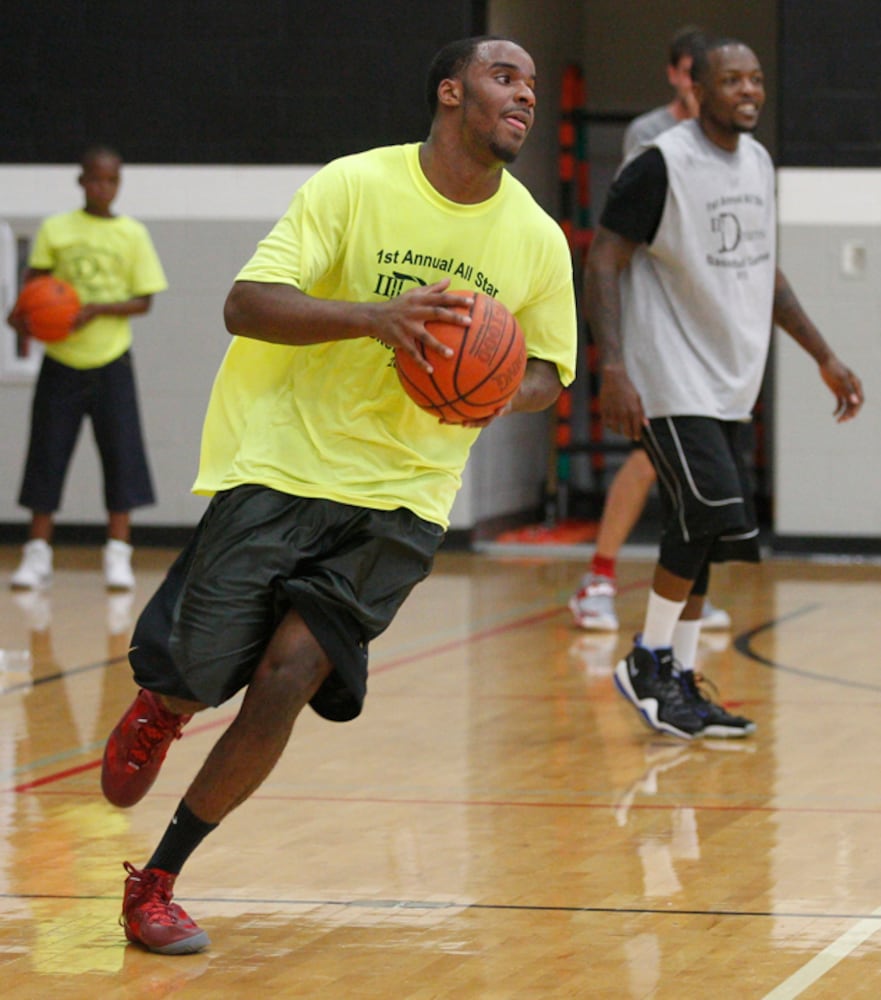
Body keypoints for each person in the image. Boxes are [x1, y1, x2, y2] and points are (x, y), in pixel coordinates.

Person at [99, 35, 577, 955]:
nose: (524, 96)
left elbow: (551, 373)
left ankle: (157, 881)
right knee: (198, 666)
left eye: (529, 85)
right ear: (450, 92)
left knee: (286, 677)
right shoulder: (354, 186)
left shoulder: (534, 238)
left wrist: (487, 390)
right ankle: (166, 705)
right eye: (502, 77)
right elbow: (246, 303)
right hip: (284, 466)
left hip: (403, 498)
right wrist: (376, 319)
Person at [584, 37, 863, 740]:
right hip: (666, 374)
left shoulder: (759, 164)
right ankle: (646, 659)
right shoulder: (661, 163)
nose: (748, 90)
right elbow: (603, 259)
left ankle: (676, 678)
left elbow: (766, 273)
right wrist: (612, 366)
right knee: (713, 515)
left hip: (728, 377)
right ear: (698, 90)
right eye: (731, 79)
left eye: (756, 79)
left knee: (697, 530)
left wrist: (822, 355)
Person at [570, 25, 731, 634]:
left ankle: (686, 592)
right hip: (651, 324)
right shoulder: (651, 136)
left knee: (690, 468)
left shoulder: (728, 143)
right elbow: (632, 232)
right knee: (647, 458)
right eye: (697, 74)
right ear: (677, 75)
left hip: (702, 333)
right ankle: (599, 579)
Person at [7, 145, 166, 592]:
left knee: (122, 456)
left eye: (111, 180)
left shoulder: (132, 234)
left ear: (119, 183)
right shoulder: (56, 229)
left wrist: (97, 309)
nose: (102, 186)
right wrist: (22, 315)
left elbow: (145, 299)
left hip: (112, 359)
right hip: (61, 362)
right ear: (81, 181)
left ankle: (118, 555)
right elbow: (34, 287)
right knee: (47, 455)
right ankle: (36, 555)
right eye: (94, 179)